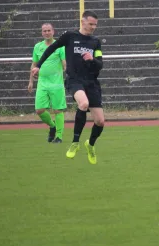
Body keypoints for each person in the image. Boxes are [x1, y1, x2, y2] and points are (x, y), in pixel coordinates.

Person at [31, 11, 105, 164]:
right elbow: (51, 49)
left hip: (91, 82)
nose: (93, 27)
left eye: (95, 25)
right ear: (82, 22)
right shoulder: (70, 36)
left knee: (100, 121)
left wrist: (92, 60)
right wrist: (38, 66)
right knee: (83, 104)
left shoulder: (95, 42)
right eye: (91, 24)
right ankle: (75, 143)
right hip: (75, 80)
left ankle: (90, 145)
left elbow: (100, 64)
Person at [28, 23, 67, 144]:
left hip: (56, 84)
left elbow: (64, 62)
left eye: (49, 30)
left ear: (53, 31)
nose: (47, 33)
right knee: (39, 110)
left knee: (58, 110)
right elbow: (34, 65)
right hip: (42, 83)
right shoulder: (37, 47)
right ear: (42, 33)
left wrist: (66, 69)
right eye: (44, 31)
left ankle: (59, 136)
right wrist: (30, 81)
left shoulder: (60, 47)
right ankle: (52, 126)